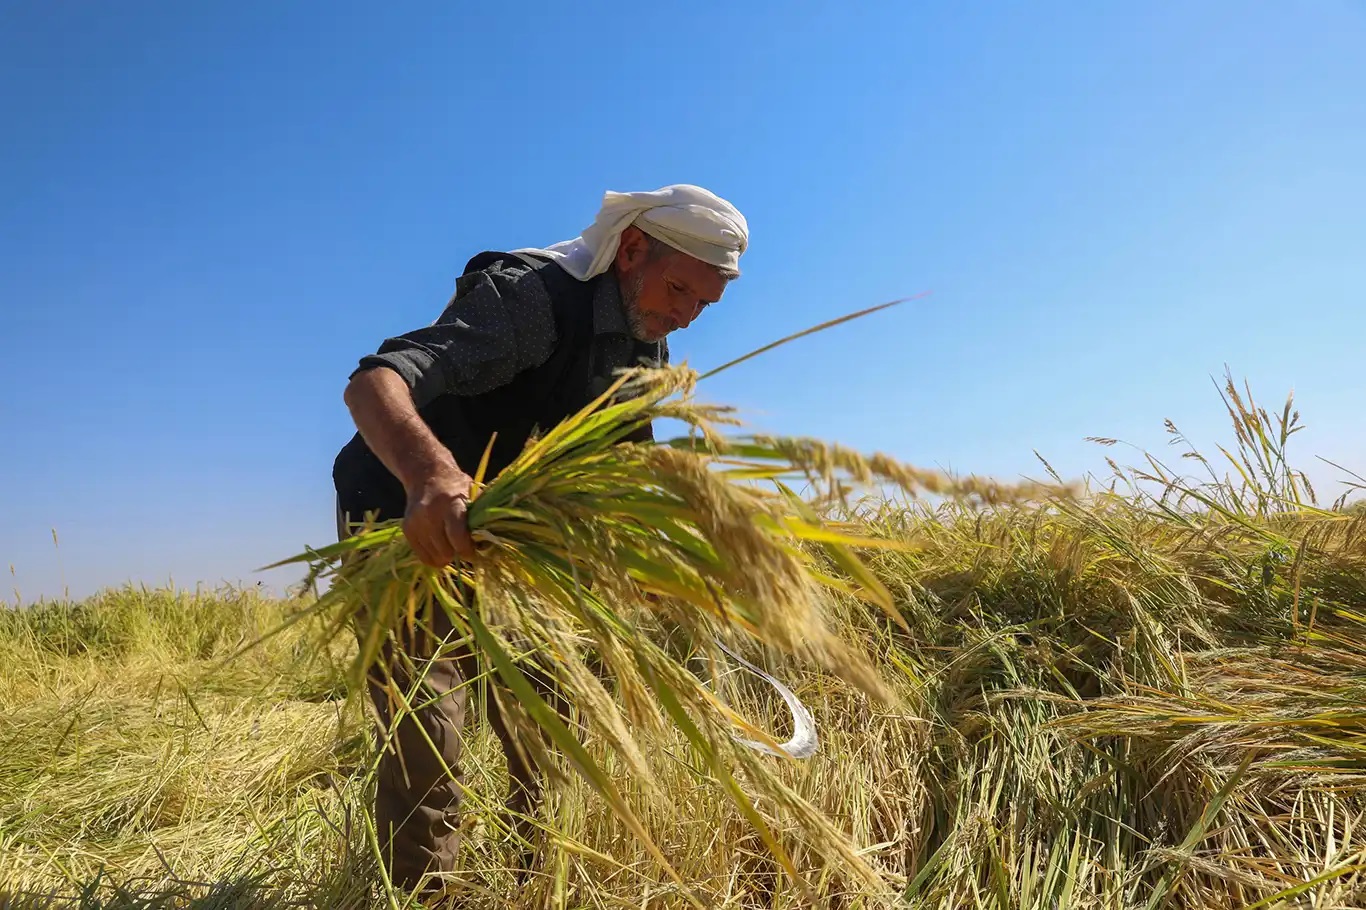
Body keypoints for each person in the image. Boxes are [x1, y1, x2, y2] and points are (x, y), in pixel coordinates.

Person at [331, 184, 749, 895]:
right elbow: (375, 383)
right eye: (678, 289)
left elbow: (621, 476)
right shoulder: (533, 298)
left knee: (546, 708)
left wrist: (664, 562)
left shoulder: (643, 350)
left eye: (700, 305)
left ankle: (535, 883)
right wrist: (432, 475)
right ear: (633, 248)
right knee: (428, 725)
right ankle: (423, 894)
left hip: (511, 536)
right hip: (406, 509)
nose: (683, 314)